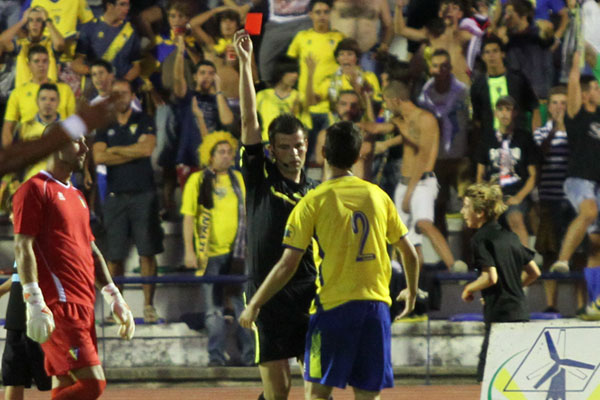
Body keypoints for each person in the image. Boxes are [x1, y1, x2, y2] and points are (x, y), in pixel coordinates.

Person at [239, 120, 420, 400]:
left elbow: (287, 264)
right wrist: (410, 292)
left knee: (318, 393)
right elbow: (409, 253)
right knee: (368, 394)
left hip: (333, 307)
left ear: (322, 152)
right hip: (376, 308)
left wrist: (255, 303)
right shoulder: (378, 195)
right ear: (359, 155)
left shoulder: (313, 200)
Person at [13, 130, 135, 400]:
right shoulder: (34, 189)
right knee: (93, 385)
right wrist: (34, 300)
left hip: (84, 304)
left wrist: (114, 296)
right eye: (76, 141)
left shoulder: (78, 196)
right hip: (59, 306)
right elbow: (23, 246)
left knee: (66, 385)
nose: (84, 147)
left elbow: (91, 250)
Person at [235, 30, 318, 400]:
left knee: (317, 387)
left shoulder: (315, 192)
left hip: (307, 292)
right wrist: (244, 63)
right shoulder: (260, 177)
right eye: (285, 147)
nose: (294, 153)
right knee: (279, 392)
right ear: (272, 149)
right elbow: (249, 120)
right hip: (266, 294)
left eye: (299, 145)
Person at [92, 79, 164, 324]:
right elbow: (99, 156)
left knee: (147, 252)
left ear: (132, 95)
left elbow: (146, 151)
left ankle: (148, 306)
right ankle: (118, 309)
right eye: (114, 94)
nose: (119, 98)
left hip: (144, 194)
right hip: (115, 197)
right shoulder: (104, 124)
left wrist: (116, 151)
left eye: (123, 93)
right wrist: (131, 149)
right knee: (114, 256)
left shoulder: (144, 120)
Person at [181, 131, 254, 367]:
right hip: (208, 255)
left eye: (229, 151)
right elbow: (189, 217)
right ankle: (215, 355)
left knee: (244, 306)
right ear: (209, 156)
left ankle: (250, 355)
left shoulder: (239, 180)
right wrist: (189, 251)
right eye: (221, 152)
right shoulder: (197, 180)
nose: (226, 156)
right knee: (213, 310)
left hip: (238, 255)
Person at [383, 79, 467, 273]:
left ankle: (454, 266)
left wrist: (409, 193)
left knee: (423, 223)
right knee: (406, 237)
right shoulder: (403, 121)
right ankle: (414, 281)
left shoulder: (425, 119)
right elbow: (379, 128)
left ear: (395, 100)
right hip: (404, 183)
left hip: (421, 183)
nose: (386, 105)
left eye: (386, 101)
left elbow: (422, 156)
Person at [460, 182, 541, 382]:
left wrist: (469, 288)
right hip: (520, 312)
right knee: (517, 377)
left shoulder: (480, 239)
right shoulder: (511, 237)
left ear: (479, 212)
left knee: (487, 377)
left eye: (466, 207)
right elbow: (534, 272)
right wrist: (512, 285)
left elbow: (490, 277)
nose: (462, 212)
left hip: (499, 317)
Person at [550, 52, 600, 320]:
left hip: (598, 183)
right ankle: (563, 259)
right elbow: (573, 83)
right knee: (589, 212)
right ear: (583, 93)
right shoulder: (576, 115)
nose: (598, 89)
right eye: (593, 87)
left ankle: (595, 304)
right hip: (579, 180)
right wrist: (575, 64)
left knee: (596, 245)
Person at [533, 85, 586, 313]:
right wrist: (556, 128)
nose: (559, 107)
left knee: (579, 254)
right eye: (554, 102)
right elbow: (539, 155)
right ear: (549, 107)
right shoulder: (541, 132)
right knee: (549, 252)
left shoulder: (579, 132)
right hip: (549, 199)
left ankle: (583, 304)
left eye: (563, 103)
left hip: (575, 201)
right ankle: (550, 304)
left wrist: (568, 127)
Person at [475, 95, 537, 248]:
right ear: (495, 113)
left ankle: (525, 265)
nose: (504, 113)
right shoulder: (487, 138)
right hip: (493, 194)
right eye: (500, 109)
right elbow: (480, 174)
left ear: (515, 113)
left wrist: (519, 197)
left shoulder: (524, 137)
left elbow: (534, 175)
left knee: (515, 218)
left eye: (508, 109)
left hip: (515, 193)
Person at [2, 45, 75, 148]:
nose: (41, 65)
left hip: (59, 152)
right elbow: (7, 129)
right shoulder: (18, 93)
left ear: (49, 63)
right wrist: (12, 156)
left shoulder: (65, 90)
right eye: (36, 61)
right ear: (29, 64)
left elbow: (74, 123)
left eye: (45, 61)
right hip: (30, 152)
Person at [1, 258, 52, 400]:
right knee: (13, 376)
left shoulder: (45, 239)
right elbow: (20, 275)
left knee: (58, 374)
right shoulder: (23, 241)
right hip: (17, 316)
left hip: (44, 316)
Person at [72, 0, 142, 82]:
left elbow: (136, 66)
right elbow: (77, 62)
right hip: (96, 87)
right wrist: (95, 73)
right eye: (122, 4)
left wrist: (122, 83)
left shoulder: (130, 31)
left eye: (128, 4)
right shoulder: (90, 27)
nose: (127, 8)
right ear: (109, 5)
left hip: (119, 88)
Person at [0, 6, 65, 87]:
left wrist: (48, 20)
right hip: (24, 95)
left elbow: (60, 44)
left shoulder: (50, 43)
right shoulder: (21, 44)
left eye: (38, 20)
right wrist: (22, 21)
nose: (34, 24)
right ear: (27, 25)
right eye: (30, 20)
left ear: (44, 24)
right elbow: (2, 41)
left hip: (48, 93)